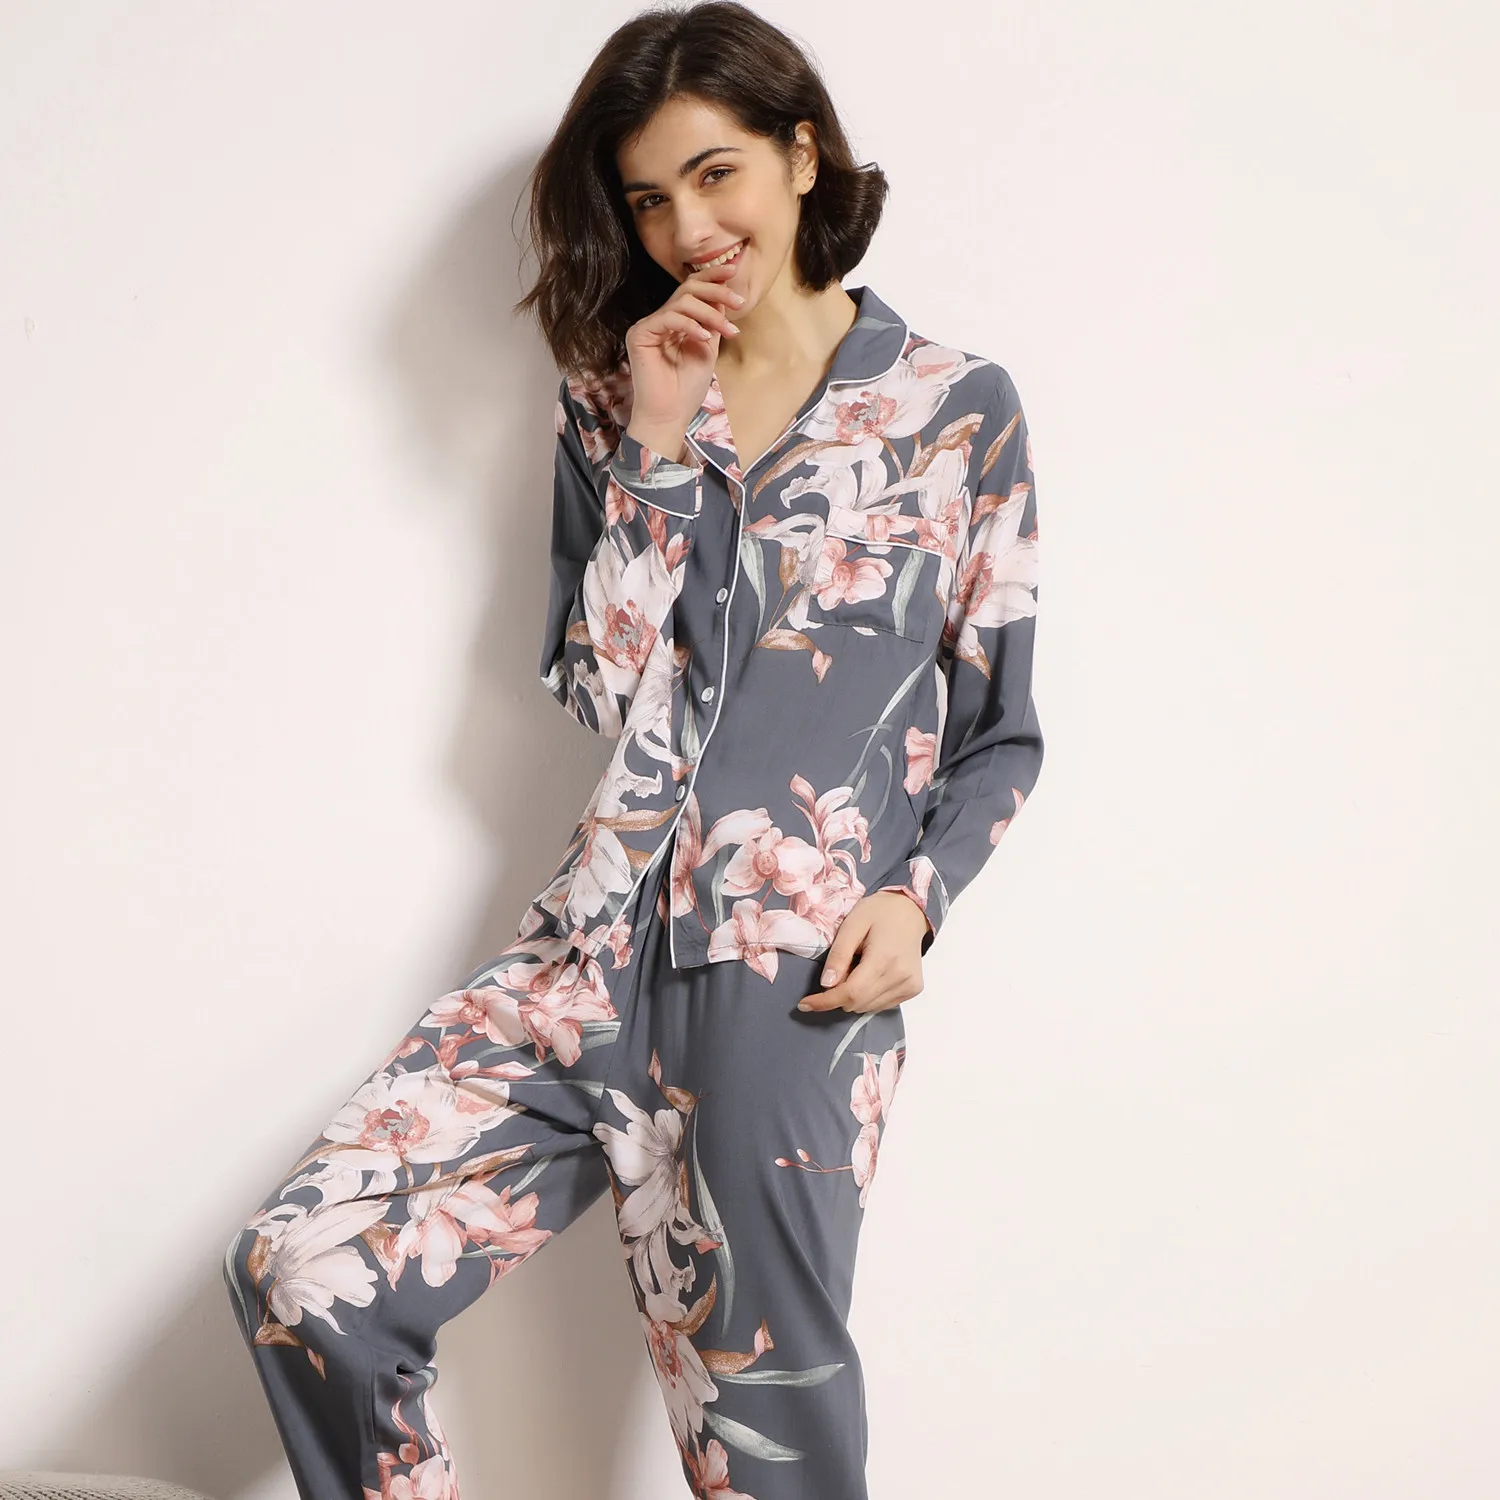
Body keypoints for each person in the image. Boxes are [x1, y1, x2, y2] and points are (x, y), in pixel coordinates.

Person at [221, 4, 1044, 1497]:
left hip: (786, 980)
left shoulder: (953, 410)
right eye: (651, 199)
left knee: (762, 1439)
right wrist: (658, 439)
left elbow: (1001, 731)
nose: (688, 230)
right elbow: (599, 687)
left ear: (803, 155)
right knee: (307, 1270)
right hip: (583, 953)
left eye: (716, 175)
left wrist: (915, 901)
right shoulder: (614, 399)